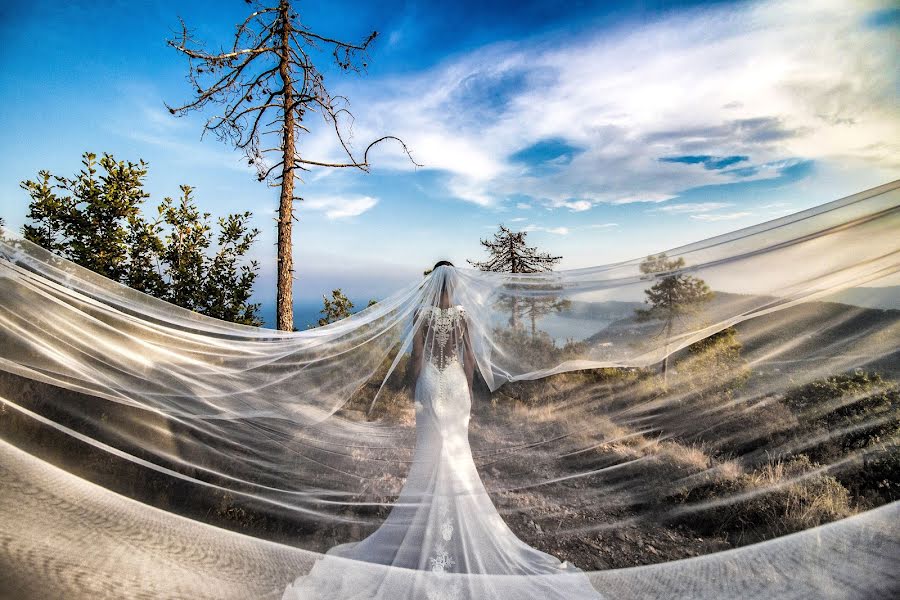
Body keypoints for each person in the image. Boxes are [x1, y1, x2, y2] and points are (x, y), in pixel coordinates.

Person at [283, 261, 602, 599]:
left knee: (429, 456)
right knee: (458, 454)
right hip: (454, 385)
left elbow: (417, 357)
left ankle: (425, 525)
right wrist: (465, 389)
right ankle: (456, 523)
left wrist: (416, 387)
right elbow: (469, 360)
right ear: (455, 284)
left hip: (432, 384)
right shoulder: (465, 316)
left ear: (433, 284)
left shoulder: (421, 314)